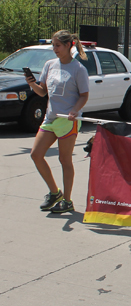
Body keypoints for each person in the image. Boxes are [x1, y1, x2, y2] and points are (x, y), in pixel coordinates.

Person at [26, 30, 90, 213]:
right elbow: (42, 91)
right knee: (36, 154)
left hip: (67, 120)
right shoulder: (49, 65)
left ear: (69, 46)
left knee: (65, 160)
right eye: (53, 45)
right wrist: (32, 83)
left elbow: (84, 95)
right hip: (50, 118)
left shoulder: (78, 69)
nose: (54, 49)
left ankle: (68, 201)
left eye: (58, 45)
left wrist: (74, 110)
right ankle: (55, 193)